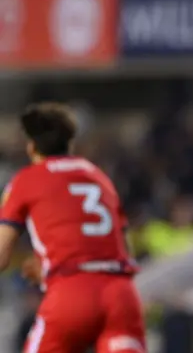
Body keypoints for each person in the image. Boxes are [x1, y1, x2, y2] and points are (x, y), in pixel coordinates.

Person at [0, 103, 146, 353]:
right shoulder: (98, 176)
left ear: (31, 146)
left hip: (71, 293)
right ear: (70, 144)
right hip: (121, 296)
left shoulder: (26, 180)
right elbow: (124, 247)